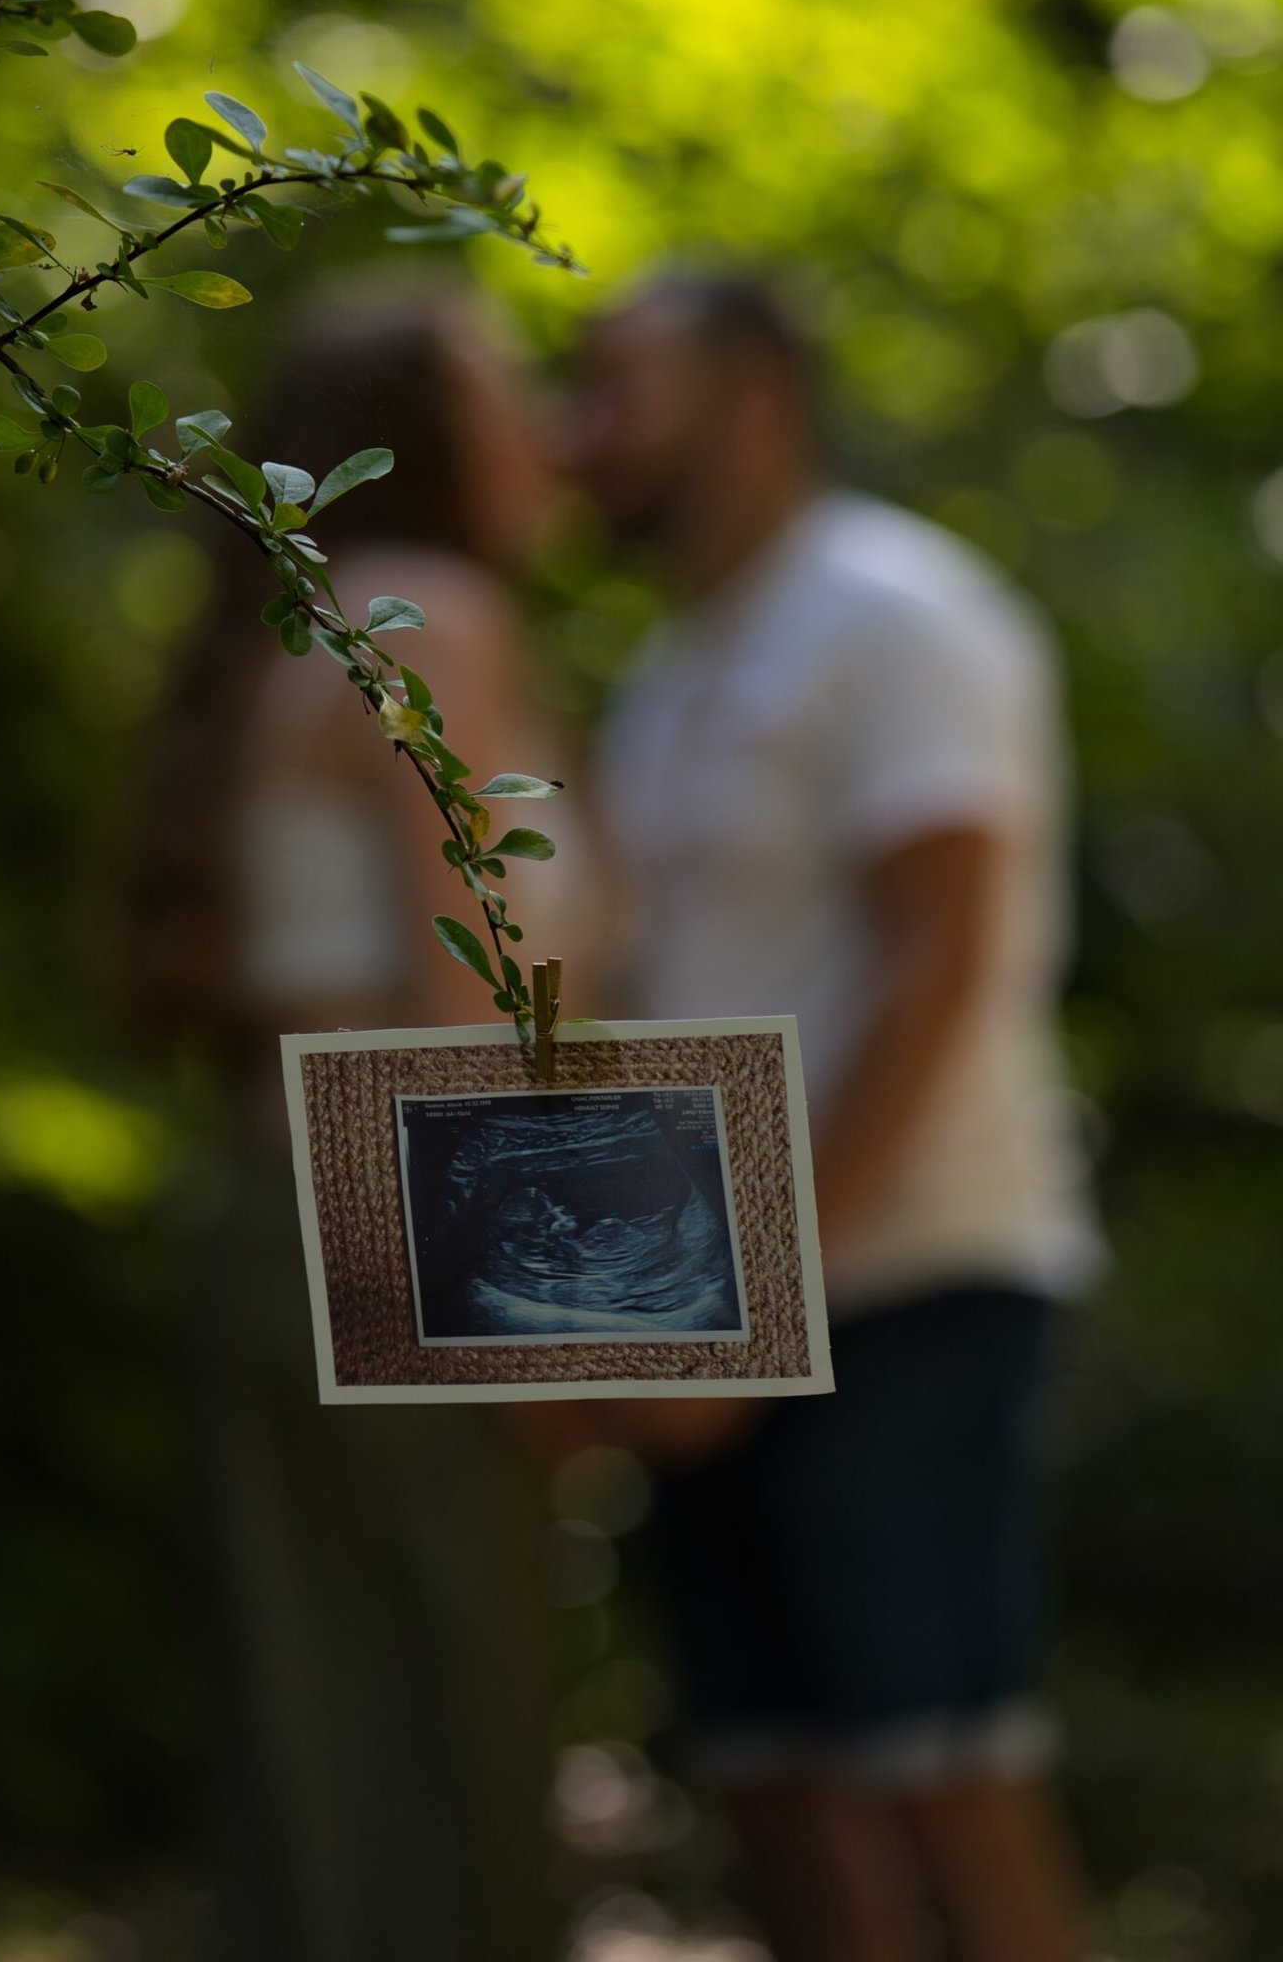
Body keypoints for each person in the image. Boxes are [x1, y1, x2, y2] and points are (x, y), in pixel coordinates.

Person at [560, 269, 1103, 1962]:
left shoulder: (891, 609)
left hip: (915, 1282)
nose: (582, 434)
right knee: (768, 1783)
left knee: (942, 1769)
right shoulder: (674, 669)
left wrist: (754, 1297)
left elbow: (947, 966)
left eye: (620, 386)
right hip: (735, 1307)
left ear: (758, 396)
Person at [113, 276, 589, 1962]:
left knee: (310, 1754)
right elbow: (463, 996)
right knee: (436, 1754)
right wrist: (545, 1336)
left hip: (266, 1223)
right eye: (510, 393)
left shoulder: (281, 628)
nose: (549, 435)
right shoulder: (433, 617)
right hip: (400, 1240)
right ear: (425, 436)